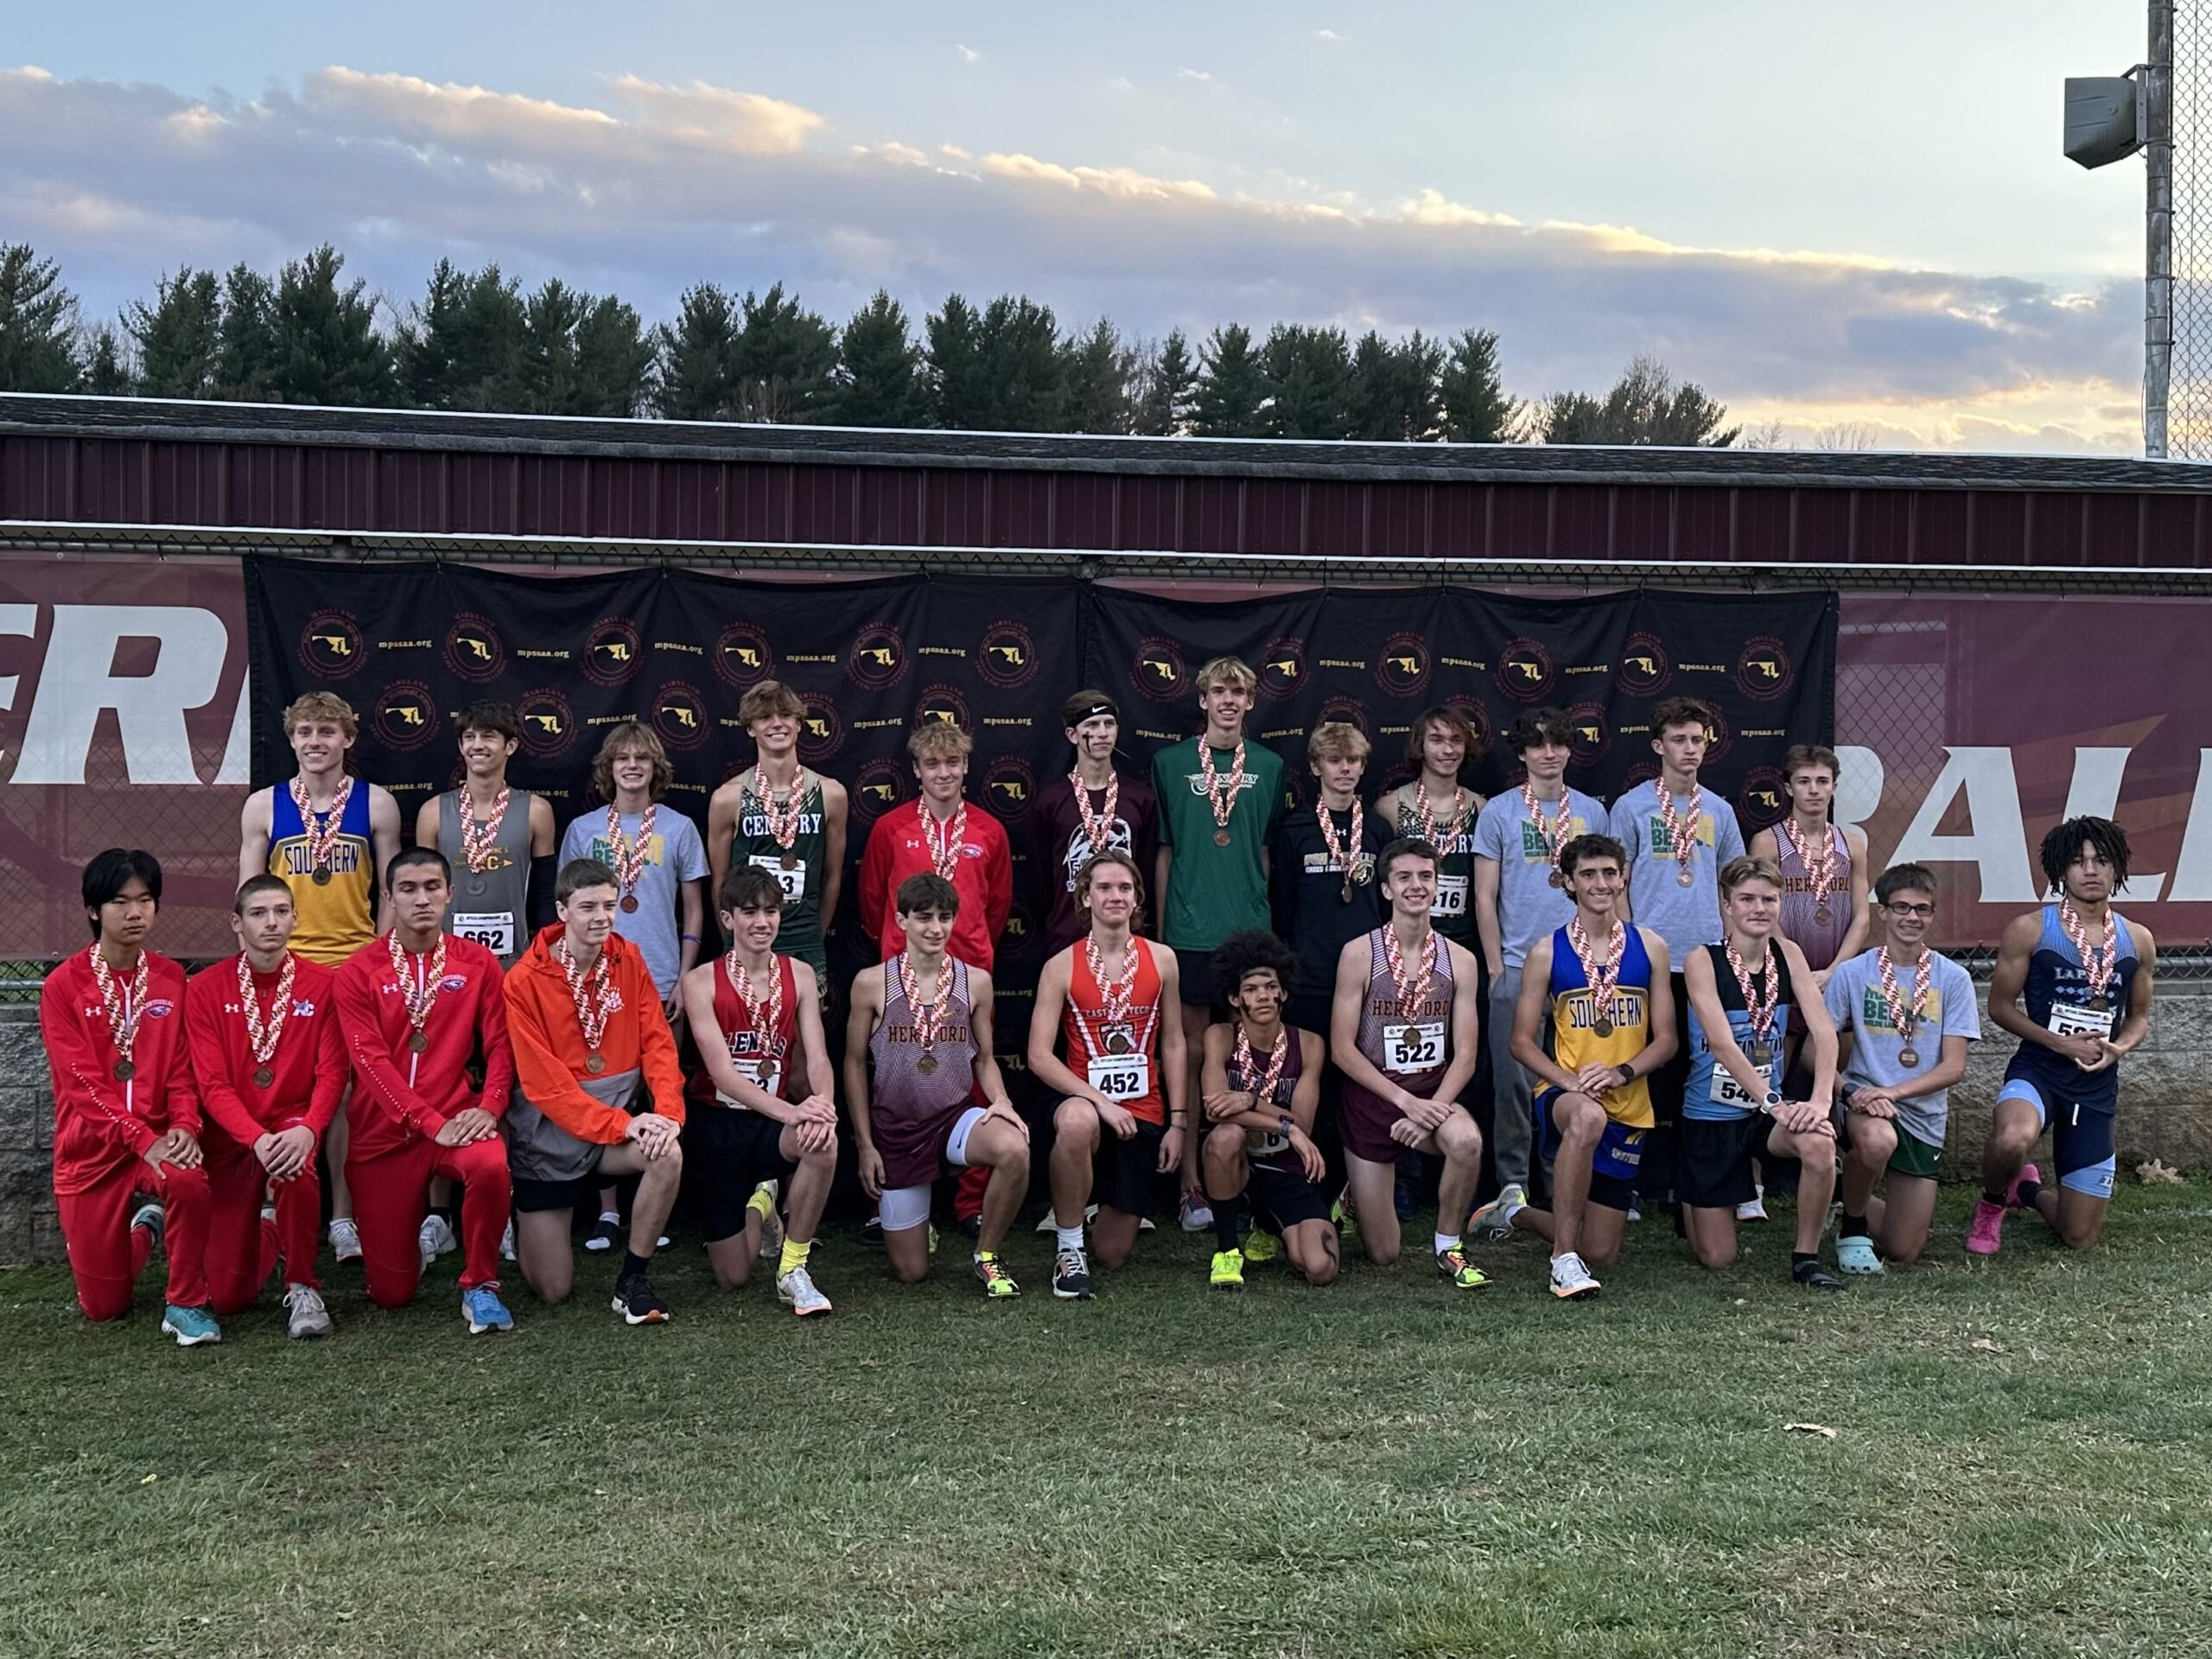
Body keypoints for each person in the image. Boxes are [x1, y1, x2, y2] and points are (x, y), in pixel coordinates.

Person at [238, 691, 402, 1263]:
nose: (315, 741)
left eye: (327, 731)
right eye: (305, 731)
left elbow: (390, 891)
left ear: (348, 739)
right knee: (278, 1085)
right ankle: (270, 1205)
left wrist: (377, 961)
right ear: (290, 739)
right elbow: (250, 896)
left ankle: (341, 1216)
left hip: (353, 965)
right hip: (287, 966)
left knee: (347, 1096)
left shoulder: (377, 805)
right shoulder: (264, 806)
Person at [334, 847, 518, 1333]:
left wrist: (491, 1107)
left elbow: (502, 1045)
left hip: (456, 1118)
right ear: (389, 898)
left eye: (432, 888)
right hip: (383, 1134)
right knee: (391, 1295)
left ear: (450, 895)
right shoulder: (357, 972)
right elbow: (369, 1064)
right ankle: (405, 1245)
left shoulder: (478, 963)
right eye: (409, 890)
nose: (422, 900)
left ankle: (480, 1284)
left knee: (490, 1162)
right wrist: (428, 1123)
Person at [42, 849, 219, 1344]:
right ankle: (144, 1231)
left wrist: (184, 1125)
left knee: (188, 1180)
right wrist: (140, 1138)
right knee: (103, 1308)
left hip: (159, 1139)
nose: (135, 912)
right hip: (91, 1151)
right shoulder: (62, 986)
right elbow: (79, 1083)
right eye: (120, 901)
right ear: (95, 910)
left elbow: (184, 1070)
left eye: (145, 900)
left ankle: (185, 1301)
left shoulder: (170, 979)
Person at [504, 858, 688, 1324]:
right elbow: (545, 1088)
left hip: (612, 1135)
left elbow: (658, 1046)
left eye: (609, 905)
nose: (601, 917)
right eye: (587, 907)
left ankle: (632, 1281)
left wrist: (667, 1116)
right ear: (562, 910)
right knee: (552, 1291)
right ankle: (516, 1215)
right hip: (551, 1138)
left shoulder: (629, 959)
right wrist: (624, 1122)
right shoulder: (524, 980)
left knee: (668, 1153)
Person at [1494, 833, 1675, 1300]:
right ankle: (1562, 1262)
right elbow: (1520, 1042)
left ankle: (1513, 1212)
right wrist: (1568, 1081)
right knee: (1587, 1115)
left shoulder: (1650, 945)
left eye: (1609, 873)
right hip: (1565, 1092)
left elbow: (1668, 1040)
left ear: (1623, 878)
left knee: (1603, 1251)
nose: (1600, 883)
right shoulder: (1545, 951)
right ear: (1569, 883)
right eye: (1588, 874)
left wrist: (1623, 1073)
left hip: (1627, 1096)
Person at [843, 874, 1032, 1297]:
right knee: (911, 1272)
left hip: (953, 1118)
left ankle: (987, 1255)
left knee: (1015, 1147)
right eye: (924, 917)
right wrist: (865, 1144)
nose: (935, 928)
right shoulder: (872, 982)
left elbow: (984, 1058)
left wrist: (1001, 1101)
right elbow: (854, 1064)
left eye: (945, 918)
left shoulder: (976, 981)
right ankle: (918, 1225)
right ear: (901, 920)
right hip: (896, 1130)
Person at [1975, 817, 2157, 1255]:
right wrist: (2057, 1042)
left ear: (2118, 870)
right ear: (2061, 871)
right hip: (2039, 1071)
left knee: (2078, 1238)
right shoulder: (2031, 929)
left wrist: (2120, 1048)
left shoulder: (2139, 939)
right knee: (2012, 1140)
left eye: (2101, 861)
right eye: (2078, 861)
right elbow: (1999, 1008)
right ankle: (1992, 1203)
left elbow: (2139, 1016)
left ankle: (2029, 1193)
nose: (2090, 870)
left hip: (2094, 1086)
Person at [558, 721, 707, 1255]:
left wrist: (687, 978)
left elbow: (693, 909)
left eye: (642, 758)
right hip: (597, 976)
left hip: (663, 976)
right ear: (609, 767)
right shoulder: (582, 828)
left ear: (656, 767)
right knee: (606, 1090)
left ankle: (654, 1203)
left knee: (659, 1091)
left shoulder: (680, 828)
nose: (632, 766)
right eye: (622, 758)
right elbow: (570, 908)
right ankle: (607, 1213)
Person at [1151, 655, 1287, 1231]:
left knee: (1248, 1056)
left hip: (1249, 933)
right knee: (1188, 1054)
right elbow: (1165, 851)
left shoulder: (1273, 765)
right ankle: (1189, 1188)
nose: (1229, 701)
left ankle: (1248, 1181)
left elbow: (1263, 851)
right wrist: (1161, 935)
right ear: (1203, 700)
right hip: (1188, 931)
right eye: (1219, 692)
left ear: (1251, 702)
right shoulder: (1170, 762)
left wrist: (1259, 909)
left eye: (1239, 692)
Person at [187, 876, 346, 1338]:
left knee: (296, 1164)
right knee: (229, 1297)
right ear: (237, 924)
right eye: (258, 914)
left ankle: (302, 1285)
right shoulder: (204, 989)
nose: (271, 922)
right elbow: (211, 1084)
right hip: (232, 1138)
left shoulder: (325, 985)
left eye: (281, 911)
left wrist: (311, 1128)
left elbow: (332, 1073)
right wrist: (254, 1138)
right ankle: (273, 1232)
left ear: (296, 918)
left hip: (291, 1122)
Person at [1471, 707, 1608, 1237]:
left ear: (1571, 752)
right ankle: (1511, 1187)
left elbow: (1607, 891)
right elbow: (1485, 895)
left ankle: (1564, 1187)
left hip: (1581, 971)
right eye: (1537, 745)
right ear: (1523, 753)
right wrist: (1493, 967)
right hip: (1515, 965)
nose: (1548, 754)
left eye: (1558, 745)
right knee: (1512, 1085)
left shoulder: (1594, 812)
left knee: (1574, 1082)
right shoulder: (1501, 813)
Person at [1026, 851, 1188, 1299]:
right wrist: (1100, 1103)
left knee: (1114, 1254)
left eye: (1124, 888)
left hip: (1144, 1111)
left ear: (1137, 898)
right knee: (1077, 1121)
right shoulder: (1060, 965)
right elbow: (1038, 1055)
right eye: (1104, 888)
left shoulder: (1163, 959)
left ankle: (1090, 1213)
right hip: (1086, 1104)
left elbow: (1174, 1041)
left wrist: (1178, 1122)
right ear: (1085, 897)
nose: (1115, 896)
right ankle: (1068, 1248)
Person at [1329, 837, 1490, 1287]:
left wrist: (1431, 1109)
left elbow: (1467, 1054)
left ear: (1438, 885)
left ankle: (1449, 1245)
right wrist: (1406, 1103)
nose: (1416, 886)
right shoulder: (1360, 953)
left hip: (1433, 1095)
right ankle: (1355, 1198)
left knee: (1467, 1141)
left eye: (1425, 877)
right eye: (1404, 878)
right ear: (1386, 889)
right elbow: (1342, 1048)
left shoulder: (1461, 960)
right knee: (1384, 1253)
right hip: (1375, 1099)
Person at [1677, 855, 1843, 1289]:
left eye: (1769, 899)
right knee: (1718, 1258)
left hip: (1768, 1117)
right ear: (1726, 905)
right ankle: (1691, 1205)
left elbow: (1824, 1033)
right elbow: (1721, 1044)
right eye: (1746, 898)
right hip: (1712, 1115)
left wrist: (1820, 1102)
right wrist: (1775, 1102)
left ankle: (1806, 1257)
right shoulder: (1702, 959)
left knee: (1820, 1145)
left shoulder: (1789, 954)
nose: (1759, 908)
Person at [680, 865, 839, 1316]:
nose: (762, 922)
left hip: (772, 1121)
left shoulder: (802, 974)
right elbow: (723, 1075)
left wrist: (822, 1106)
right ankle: (764, 1202)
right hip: (716, 1125)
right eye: (750, 912)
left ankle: (794, 1267)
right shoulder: (700, 982)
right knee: (734, 1277)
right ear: (728, 919)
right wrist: (793, 1113)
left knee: (822, 1143)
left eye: (771, 911)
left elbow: (819, 1056)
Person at [1607, 696, 1745, 1212]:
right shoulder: (1633, 806)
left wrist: (1731, 949)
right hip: (1651, 958)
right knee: (1646, 1070)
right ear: (1658, 745)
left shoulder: (1719, 810)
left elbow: (1734, 885)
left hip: (1706, 961)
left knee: (1704, 1070)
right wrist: (1627, 944)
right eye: (1679, 740)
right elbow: (1615, 882)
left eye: (1697, 740)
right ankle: (1638, 1181)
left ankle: (1695, 1183)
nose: (1689, 749)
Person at [1821, 864, 1981, 1271]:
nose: (1912, 917)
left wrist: (1894, 1093)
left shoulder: (1954, 978)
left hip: (1921, 1112)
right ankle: (1853, 1226)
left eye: (1922, 909)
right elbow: (1814, 1051)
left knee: (1902, 1248)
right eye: (1902, 908)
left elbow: (1954, 1067)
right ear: (1883, 912)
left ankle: (1841, 1191)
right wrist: (1849, 1093)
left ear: (1932, 914)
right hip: (1864, 1103)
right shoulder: (1853, 973)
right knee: (1877, 1141)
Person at [1745, 742, 1872, 1222]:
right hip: (1782, 972)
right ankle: (1750, 1184)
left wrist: (1836, 970)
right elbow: (1761, 913)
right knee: (1765, 1075)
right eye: (1804, 781)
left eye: (1822, 781)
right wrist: (1796, 969)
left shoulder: (1851, 843)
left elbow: (1861, 915)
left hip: (1833, 975)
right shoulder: (1767, 841)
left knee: (1833, 1078)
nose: (1814, 790)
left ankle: (1837, 1183)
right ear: (1788, 787)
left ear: (1835, 787)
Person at [1198, 930, 1336, 1290]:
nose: (1263, 996)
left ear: (1284, 992)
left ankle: (1270, 1227)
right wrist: (1285, 1127)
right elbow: (1214, 1108)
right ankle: (1228, 1250)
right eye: (1251, 988)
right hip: (1240, 1167)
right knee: (1225, 1135)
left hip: (1287, 1167)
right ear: (1234, 997)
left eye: (1271, 986)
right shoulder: (1220, 1036)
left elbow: (1304, 1121)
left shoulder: (1309, 1044)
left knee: (1320, 1269)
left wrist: (1249, 1101)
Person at [705, 680, 849, 990]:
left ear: (798, 723)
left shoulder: (831, 794)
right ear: (750, 728)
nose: (776, 724)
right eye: (764, 717)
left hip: (805, 937)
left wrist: (814, 932)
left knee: (803, 1032)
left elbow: (833, 875)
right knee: (745, 1030)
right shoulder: (728, 798)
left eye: (785, 715)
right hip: (746, 937)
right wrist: (733, 937)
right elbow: (719, 882)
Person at [857, 721, 1013, 971]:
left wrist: (970, 936)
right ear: (917, 770)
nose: (943, 773)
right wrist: (895, 938)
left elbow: (999, 903)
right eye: (932, 764)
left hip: (969, 960)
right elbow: (872, 898)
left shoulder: (990, 830)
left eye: (952, 762)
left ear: (965, 765)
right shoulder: (889, 828)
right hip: (903, 959)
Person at [417, 699, 559, 970]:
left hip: (515, 961)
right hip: (447, 961)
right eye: (469, 737)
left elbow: (544, 890)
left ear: (511, 746)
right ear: (461, 747)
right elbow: (424, 890)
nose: (477, 745)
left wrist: (548, 948)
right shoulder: (433, 811)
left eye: (488, 736)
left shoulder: (536, 811)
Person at [1274, 721, 1393, 1041]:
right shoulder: (1294, 827)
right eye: (1334, 760)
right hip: (1310, 971)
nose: (1345, 769)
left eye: (1353, 760)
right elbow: (1283, 903)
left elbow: (1387, 905)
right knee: (1313, 1065)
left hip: (1368, 969)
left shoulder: (1378, 828)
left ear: (1363, 767)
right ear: (1315, 766)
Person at [1028, 690, 1159, 956]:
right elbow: (1040, 880)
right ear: (1072, 735)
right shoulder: (1050, 801)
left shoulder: (1141, 798)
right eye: (1091, 725)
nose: (1102, 733)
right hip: (1067, 938)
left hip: (1127, 938)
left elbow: (1146, 870)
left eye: (1109, 724)